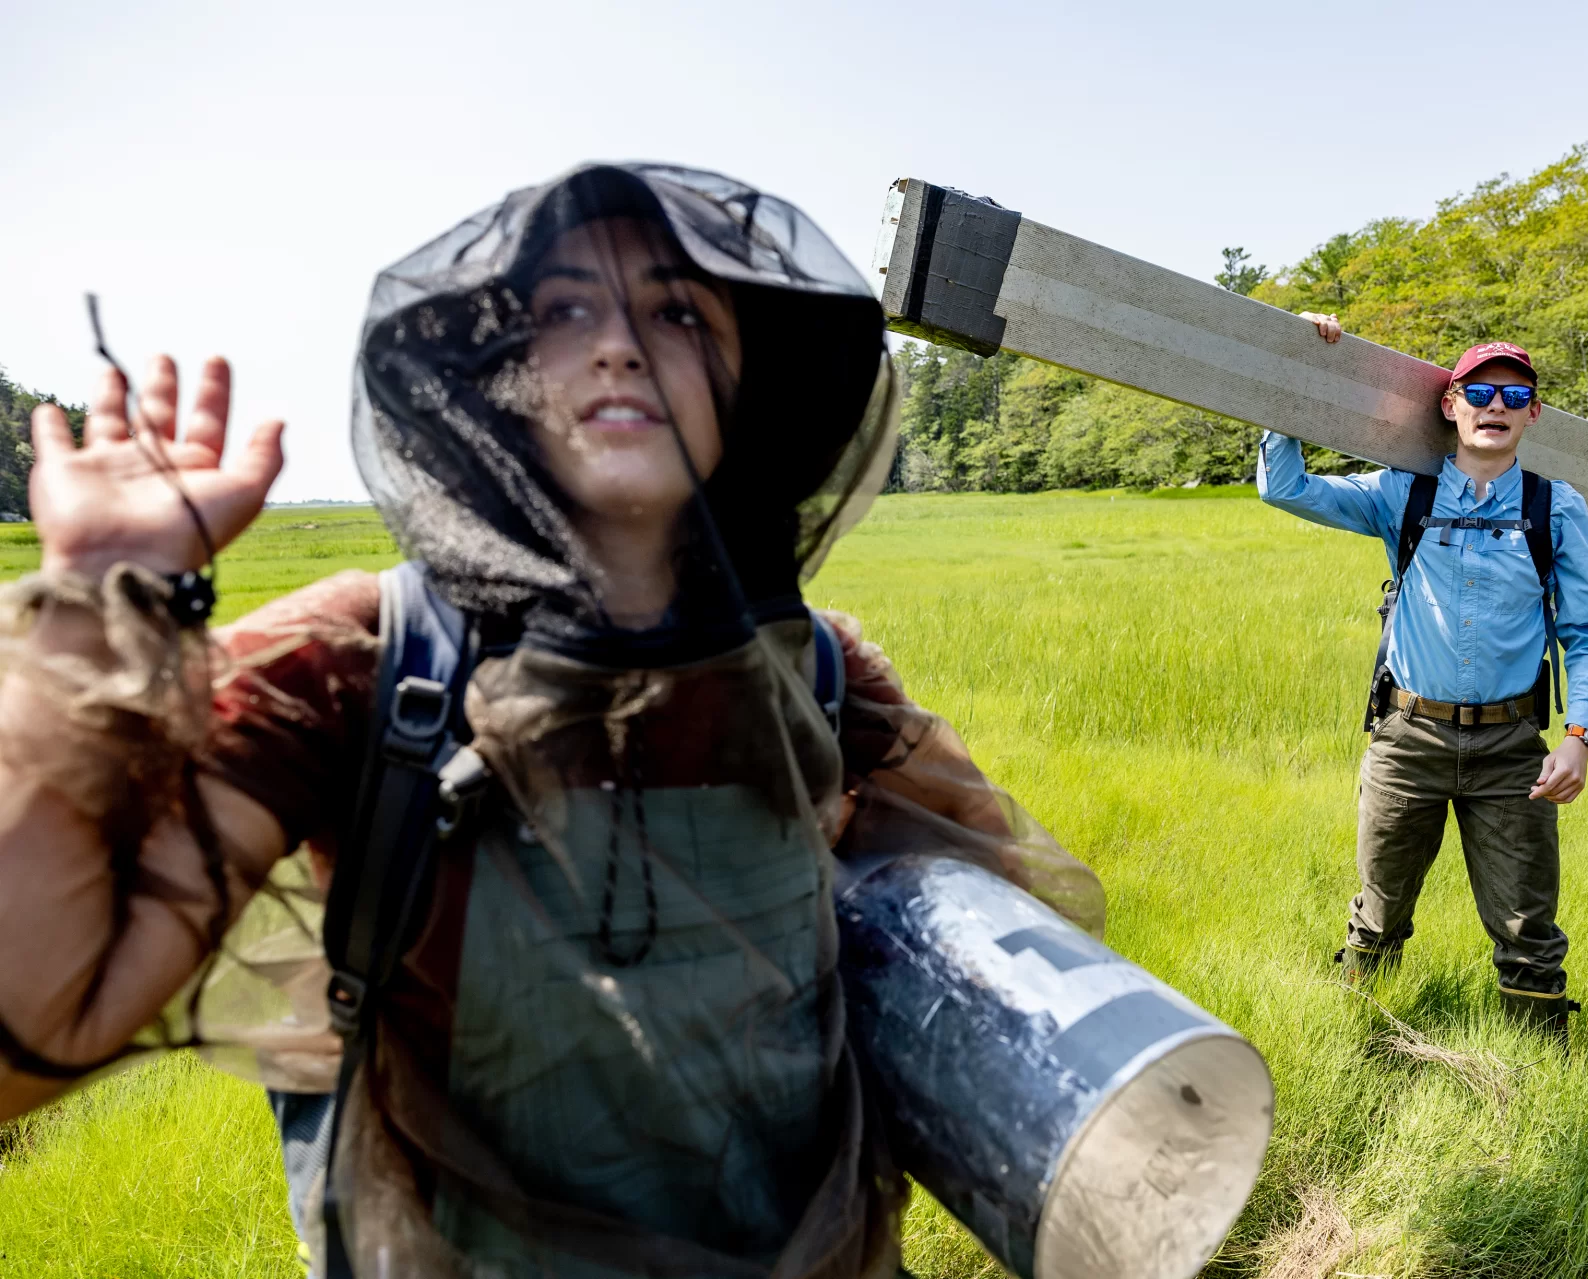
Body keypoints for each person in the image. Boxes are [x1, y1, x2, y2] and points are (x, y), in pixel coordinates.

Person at [0, 163, 1101, 1278]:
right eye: (564, 311)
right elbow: (29, 1027)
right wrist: (98, 591)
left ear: (740, 384)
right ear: (498, 381)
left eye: (676, 311)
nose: (618, 345)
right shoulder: (356, 660)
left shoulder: (817, 672)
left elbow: (987, 979)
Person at [1258, 313, 1588, 1040]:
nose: (1496, 407)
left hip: (1511, 748)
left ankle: (1534, 1071)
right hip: (1406, 741)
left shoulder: (1556, 508)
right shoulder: (1402, 495)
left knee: (1526, 926)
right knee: (1379, 910)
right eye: (1480, 392)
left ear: (1533, 414)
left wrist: (1579, 734)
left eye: (1515, 397)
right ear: (1449, 403)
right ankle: (1352, 1045)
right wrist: (1294, 357)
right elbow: (1284, 486)